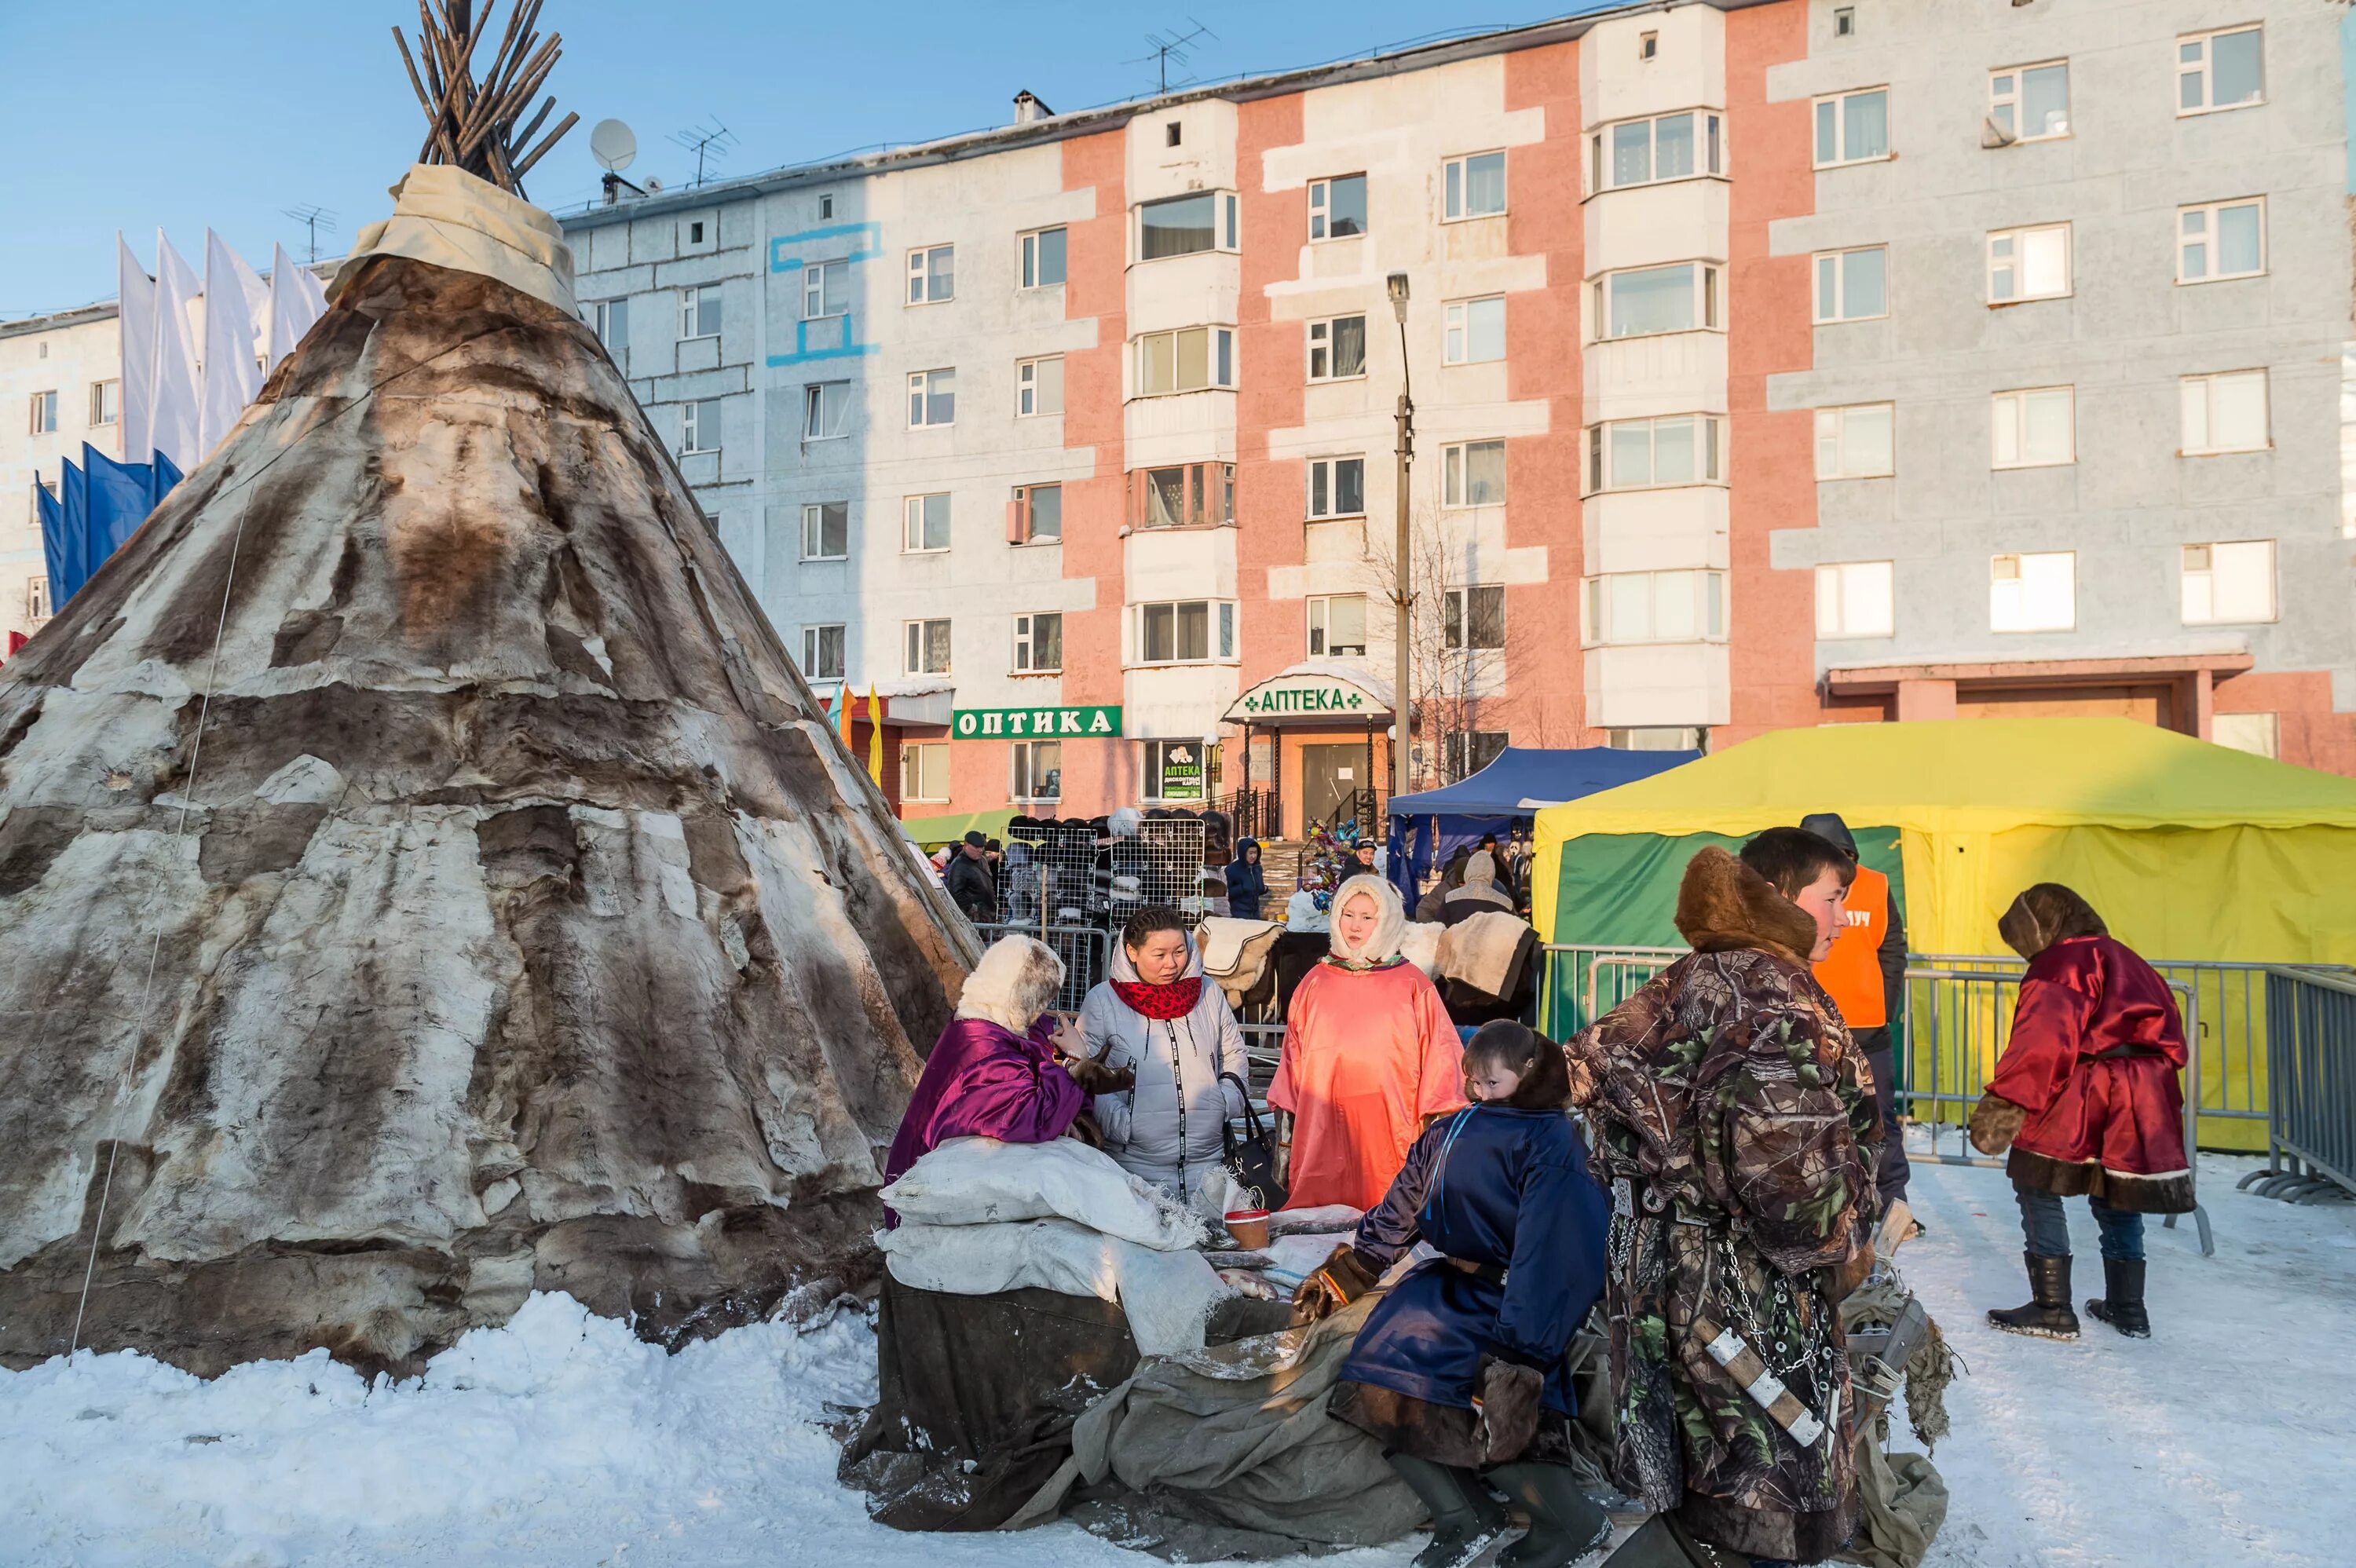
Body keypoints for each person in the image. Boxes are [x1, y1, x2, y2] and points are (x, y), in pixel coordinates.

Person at [1564, 830, 1882, 1566]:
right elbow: (1787, 1172)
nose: (1839, 919)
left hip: (1677, 1269)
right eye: (1832, 899)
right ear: (1780, 895)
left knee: (1722, 1476)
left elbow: (1586, 1066)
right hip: (1750, 1284)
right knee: (1758, 1488)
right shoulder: (1772, 988)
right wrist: (1841, 1248)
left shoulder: (1696, 973)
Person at [1297, 1021, 1612, 1568]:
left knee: (1500, 1403)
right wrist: (1352, 1271)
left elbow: (1553, 1251)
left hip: (1518, 1299)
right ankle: (1462, 1515)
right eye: (1474, 1083)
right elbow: (1404, 1203)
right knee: (1379, 1372)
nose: (1478, 1094)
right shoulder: (1453, 1129)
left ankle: (1570, 1521)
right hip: (1448, 1285)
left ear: (1529, 1073)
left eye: (1492, 1083)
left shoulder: (1553, 1140)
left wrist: (1523, 1354)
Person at [1970, 884, 2193, 1341]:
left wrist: (2006, 1102)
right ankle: (2129, 1308)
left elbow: (2042, 1043)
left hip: (2088, 1083)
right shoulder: (2127, 957)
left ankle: (2052, 1308)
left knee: (2038, 1182)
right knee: (2119, 1189)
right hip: (2146, 1087)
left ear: (2039, 928)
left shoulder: (2059, 964)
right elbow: (2173, 1037)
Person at [1271, 874, 1466, 1211]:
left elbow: (1442, 1060)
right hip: (1322, 1120)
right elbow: (1292, 1059)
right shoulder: (1315, 983)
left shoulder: (1413, 984)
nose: (1355, 926)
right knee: (1319, 1221)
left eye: (1367, 917)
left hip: (1390, 1121)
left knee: (1388, 1208)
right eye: (1347, 914)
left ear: (1386, 921)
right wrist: (1286, 1131)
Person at [883, 936, 1135, 1195]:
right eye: (1043, 998)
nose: (1044, 1008)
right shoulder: (980, 1046)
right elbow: (1025, 1116)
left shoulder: (1002, 1024)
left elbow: (1039, 1062)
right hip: (926, 1188)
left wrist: (1068, 1084)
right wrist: (1075, 1063)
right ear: (1026, 997)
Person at [1078, 905, 1252, 1203]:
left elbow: (1233, 1052)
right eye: (1159, 955)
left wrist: (1224, 1103)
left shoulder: (1208, 992)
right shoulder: (1103, 1001)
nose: (1171, 964)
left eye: (1179, 951)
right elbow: (1085, 1075)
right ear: (1132, 952)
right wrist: (1122, 1123)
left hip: (1209, 1165)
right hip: (1135, 1168)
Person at [1801, 813, 1912, 1215]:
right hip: (1810, 1020)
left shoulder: (1876, 884)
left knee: (1880, 1118)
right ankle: (1832, 1203)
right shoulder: (1795, 886)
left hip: (1866, 1024)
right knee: (1815, 1119)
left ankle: (1893, 1203)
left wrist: (1884, 1006)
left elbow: (1892, 950)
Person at [1439, 850, 1513, 927]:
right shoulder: (1505, 903)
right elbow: (1516, 932)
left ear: (1468, 871)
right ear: (1492, 873)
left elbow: (1439, 929)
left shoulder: (1450, 898)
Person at [944, 830, 998, 924]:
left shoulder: (982, 861)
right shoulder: (959, 865)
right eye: (976, 847)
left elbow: (989, 884)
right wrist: (972, 909)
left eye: (982, 847)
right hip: (973, 918)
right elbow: (955, 892)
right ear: (966, 845)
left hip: (988, 914)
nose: (980, 850)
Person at [1226, 838, 1270, 921]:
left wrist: (1263, 889)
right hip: (1238, 915)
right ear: (1243, 853)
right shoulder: (1232, 869)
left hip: (1255, 915)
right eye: (1251, 853)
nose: (1253, 856)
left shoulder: (1257, 868)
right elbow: (1226, 893)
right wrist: (1241, 888)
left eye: (1255, 853)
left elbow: (1256, 888)